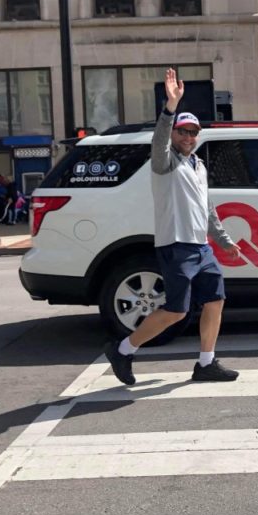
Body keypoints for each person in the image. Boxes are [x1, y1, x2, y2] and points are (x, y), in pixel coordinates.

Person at [105, 68, 243, 386]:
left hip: (201, 247)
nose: (188, 137)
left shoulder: (199, 166)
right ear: (174, 134)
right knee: (176, 312)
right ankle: (123, 350)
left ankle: (206, 363)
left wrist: (223, 241)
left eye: (193, 133)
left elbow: (207, 210)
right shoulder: (164, 163)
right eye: (183, 132)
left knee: (215, 300)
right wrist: (171, 107)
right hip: (176, 245)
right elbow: (159, 139)